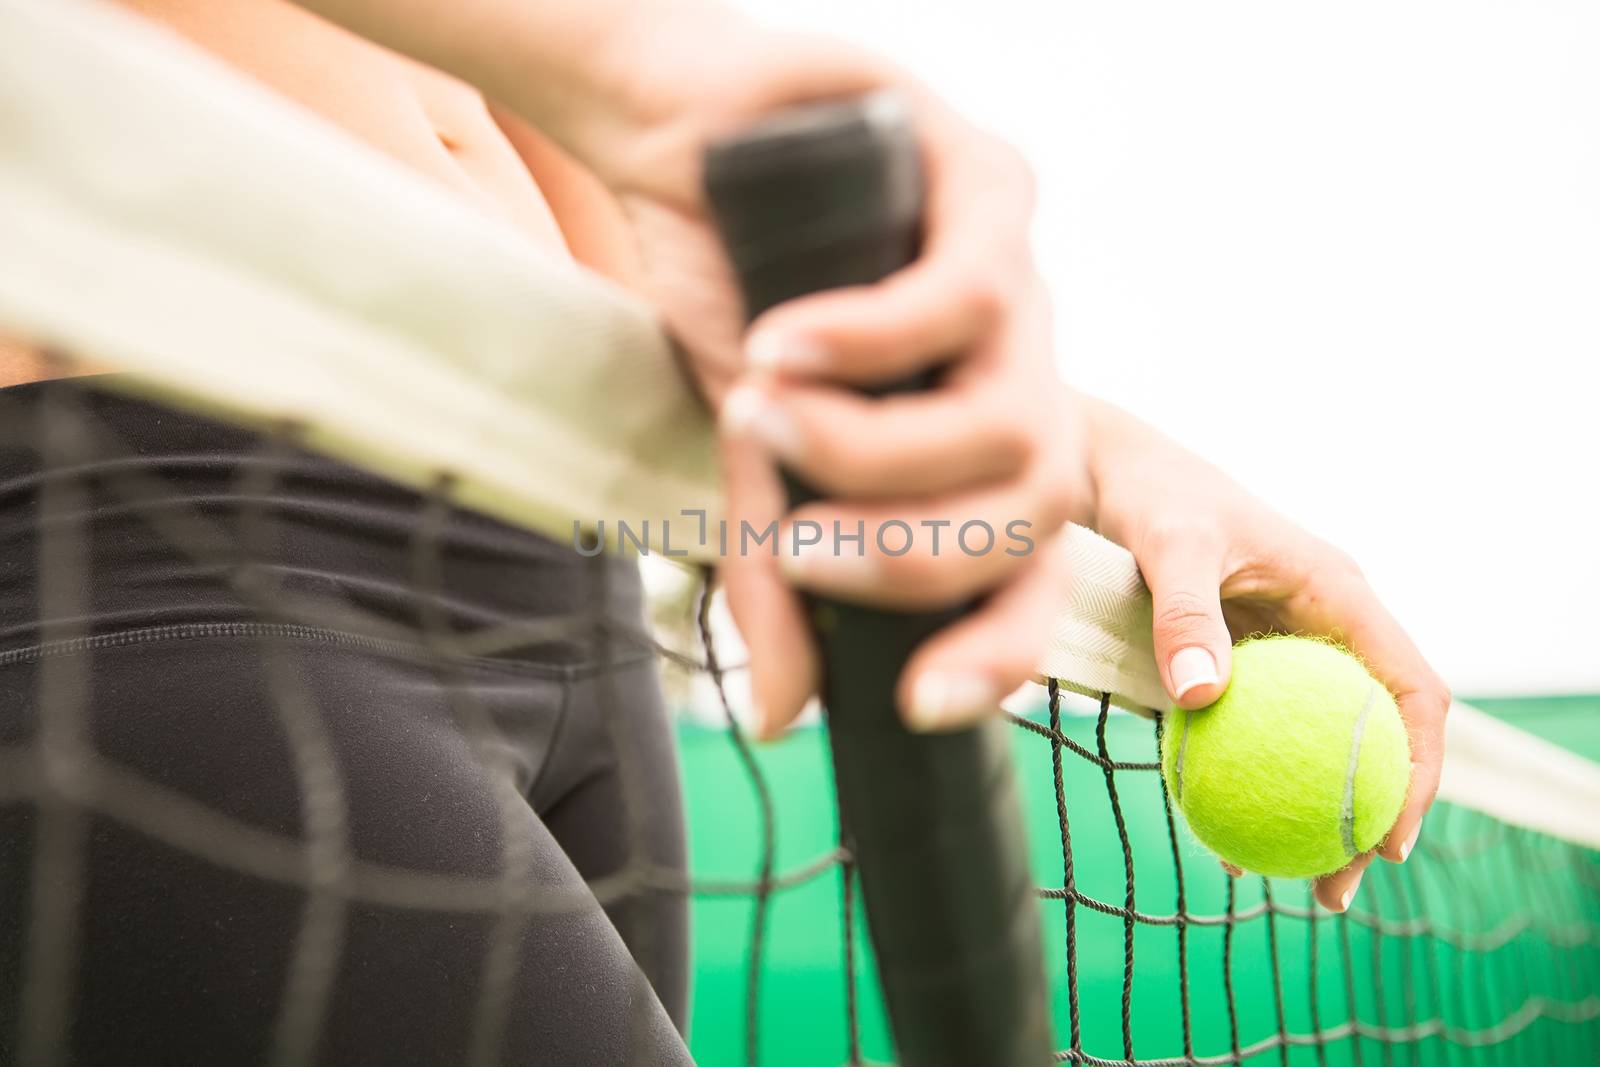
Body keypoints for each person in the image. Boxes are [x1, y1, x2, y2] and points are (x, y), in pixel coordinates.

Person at [0, 0, 1451, 1062]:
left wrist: (1094, 455)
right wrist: (647, 68)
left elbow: (619, 244)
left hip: (561, 559)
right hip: (183, 539)